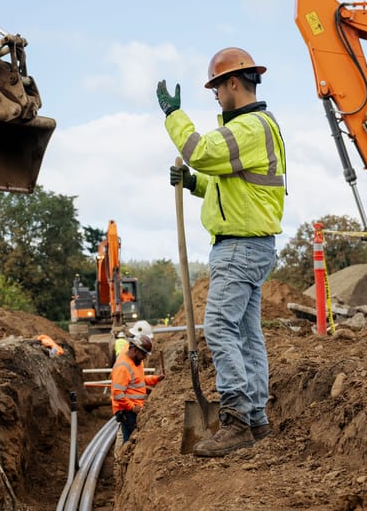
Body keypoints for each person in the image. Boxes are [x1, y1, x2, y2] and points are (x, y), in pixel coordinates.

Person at [156, 47, 286, 457]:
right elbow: (224, 185)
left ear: (234, 83)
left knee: (220, 328)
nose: (213, 94)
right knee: (247, 335)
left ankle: (235, 420)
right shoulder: (256, 128)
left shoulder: (249, 127)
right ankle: (257, 418)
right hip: (251, 245)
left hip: (240, 247)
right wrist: (192, 183)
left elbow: (201, 150)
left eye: (216, 87)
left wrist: (173, 117)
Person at [111, 334, 164, 443]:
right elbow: (117, 394)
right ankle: (125, 458)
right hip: (127, 411)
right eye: (143, 354)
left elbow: (139, 379)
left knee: (131, 439)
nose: (144, 357)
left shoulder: (136, 362)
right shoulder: (123, 367)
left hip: (134, 408)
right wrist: (132, 407)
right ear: (135, 350)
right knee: (130, 441)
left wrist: (156, 379)